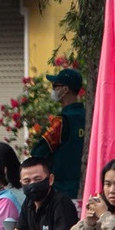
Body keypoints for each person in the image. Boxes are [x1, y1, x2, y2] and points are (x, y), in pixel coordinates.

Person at [30, 68, 88, 199]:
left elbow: (38, 151)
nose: (53, 90)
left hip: (62, 188)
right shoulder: (88, 117)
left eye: (55, 86)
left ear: (66, 90)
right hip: (86, 185)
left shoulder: (62, 121)